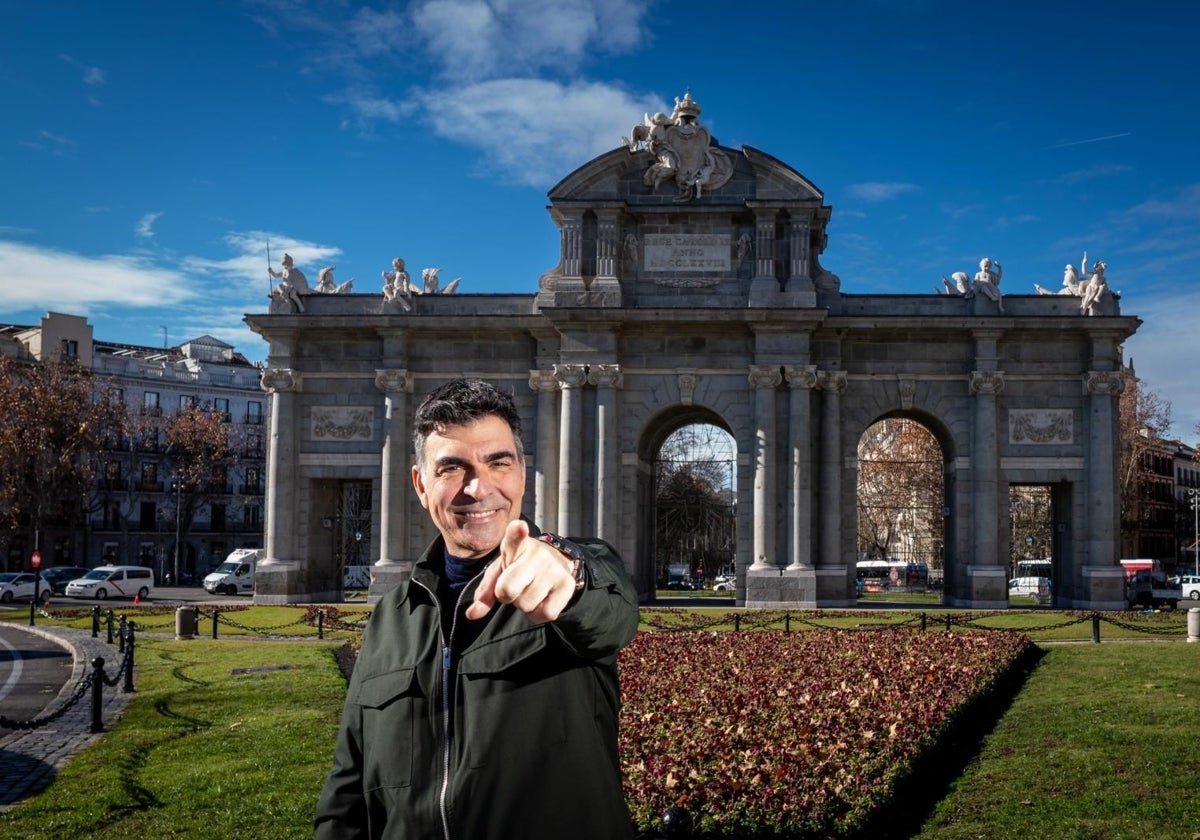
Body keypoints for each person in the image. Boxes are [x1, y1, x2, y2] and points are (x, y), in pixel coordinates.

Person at [314, 378, 640, 840]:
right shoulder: (389, 619)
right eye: (451, 467)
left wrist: (569, 572)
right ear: (420, 484)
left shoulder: (572, 572)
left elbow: (612, 613)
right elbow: (348, 792)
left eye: (498, 462)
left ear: (523, 474)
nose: (477, 486)